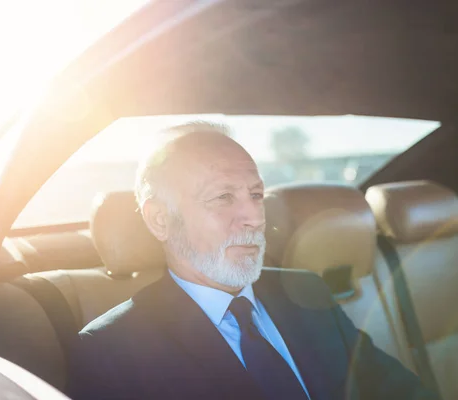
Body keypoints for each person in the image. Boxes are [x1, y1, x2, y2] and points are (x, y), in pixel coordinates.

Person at [67, 122, 438, 400]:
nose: (255, 218)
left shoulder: (305, 290)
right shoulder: (112, 350)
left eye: (256, 194)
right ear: (160, 219)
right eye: (223, 197)